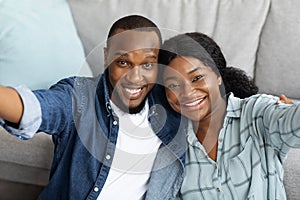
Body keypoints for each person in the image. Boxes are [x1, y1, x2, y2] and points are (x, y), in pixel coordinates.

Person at [0, 15, 187, 200]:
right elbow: (32, 108)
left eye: (147, 64)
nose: (135, 77)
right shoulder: (80, 96)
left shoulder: (169, 102)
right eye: (123, 62)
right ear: (106, 58)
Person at [159, 32, 299, 200]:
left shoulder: (256, 112)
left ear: (218, 76)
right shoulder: (172, 143)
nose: (187, 93)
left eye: (197, 78)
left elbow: (291, 123)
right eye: (173, 85)